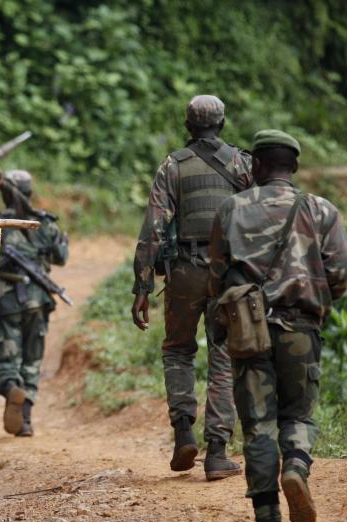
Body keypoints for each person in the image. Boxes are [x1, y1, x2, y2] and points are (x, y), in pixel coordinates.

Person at [208, 129, 347, 522]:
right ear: (294, 167)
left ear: (255, 165)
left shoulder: (231, 208)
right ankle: (296, 465)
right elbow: (342, 272)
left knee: (257, 425)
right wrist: (316, 298)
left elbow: (216, 272)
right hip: (301, 329)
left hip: (249, 331)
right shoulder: (321, 209)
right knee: (299, 415)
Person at [130, 95, 253, 480]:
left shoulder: (173, 165)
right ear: (222, 123)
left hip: (184, 269)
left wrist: (142, 286)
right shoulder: (241, 163)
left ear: (188, 124)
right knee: (223, 357)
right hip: (228, 273)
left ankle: (183, 431)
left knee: (178, 351)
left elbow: (153, 227)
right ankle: (217, 452)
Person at [0, 170, 68, 437]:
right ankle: (26, 419)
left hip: (2, 299)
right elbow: (61, 258)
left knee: (3, 358)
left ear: (3, 193)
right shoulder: (46, 224)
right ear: (30, 192)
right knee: (32, 360)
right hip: (37, 301)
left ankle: (10, 389)